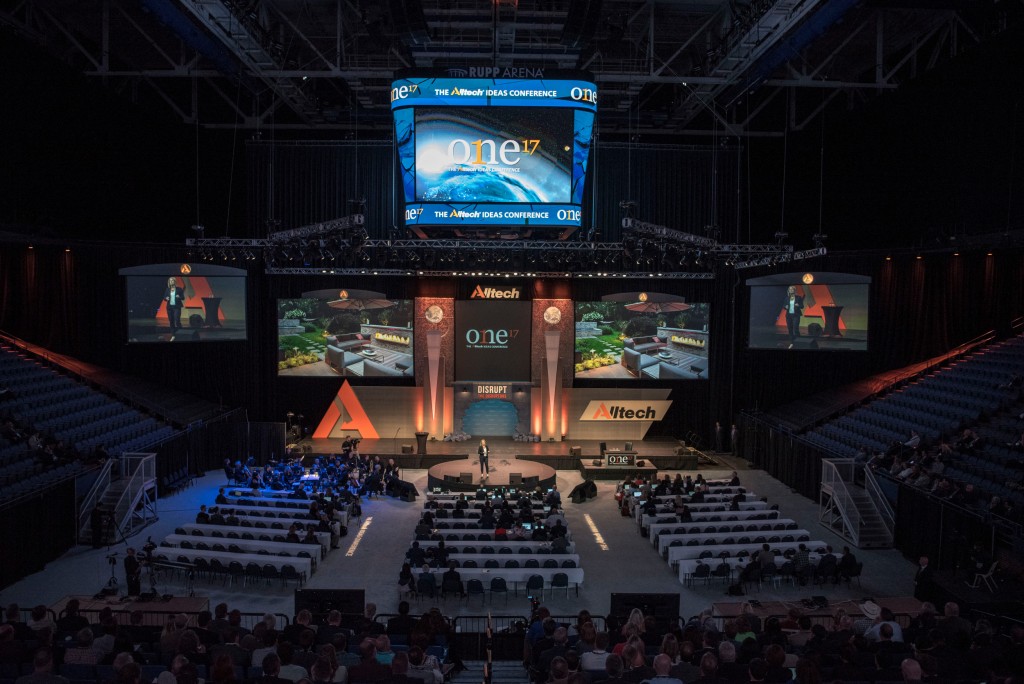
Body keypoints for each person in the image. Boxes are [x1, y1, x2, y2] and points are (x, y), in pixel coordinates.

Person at [163, 276, 185, 341]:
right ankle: (173, 335)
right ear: (169, 282)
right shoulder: (167, 289)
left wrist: (179, 297)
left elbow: (183, 298)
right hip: (169, 308)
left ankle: (181, 333)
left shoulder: (179, 289)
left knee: (177, 320)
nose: (171, 282)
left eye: (172, 280)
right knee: (171, 321)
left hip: (177, 307)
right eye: (170, 281)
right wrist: (166, 298)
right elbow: (164, 297)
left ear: (175, 282)